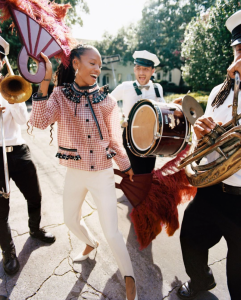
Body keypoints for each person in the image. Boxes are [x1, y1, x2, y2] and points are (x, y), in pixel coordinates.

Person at [29, 44, 138, 300]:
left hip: (102, 172)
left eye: (100, 65)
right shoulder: (59, 95)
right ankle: (90, 242)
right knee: (70, 220)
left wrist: (126, 165)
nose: (97, 69)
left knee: (111, 231)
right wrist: (45, 80)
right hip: (75, 171)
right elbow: (39, 121)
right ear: (76, 64)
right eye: (92, 63)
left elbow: (114, 140)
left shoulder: (107, 101)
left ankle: (130, 277)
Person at [177, 11, 241, 300]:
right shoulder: (219, 92)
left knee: (239, 276)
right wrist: (201, 134)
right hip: (213, 189)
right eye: (239, 51)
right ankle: (201, 283)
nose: (239, 60)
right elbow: (201, 142)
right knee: (190, 236)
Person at [0, 36, 55, 276]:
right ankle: (9, 254)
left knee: (35, 195)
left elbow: (23, 119)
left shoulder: (11, 85)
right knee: (0, 211)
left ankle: (35, 230)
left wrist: (10, 98)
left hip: (18, 151)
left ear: (2, 62)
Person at [111, 50, 165, 175]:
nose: (141, 73)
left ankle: (143, 192)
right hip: (130, 136)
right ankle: (133, 193)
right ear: (134, 69)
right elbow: (107, 104)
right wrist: (120, 119)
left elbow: (163, 111)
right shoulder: (125, 87)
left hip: (151, 137)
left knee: (147, 172)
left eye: (146, 69)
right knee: (133, 172)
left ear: (152, 71)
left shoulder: (158, 88)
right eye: (138, 68)